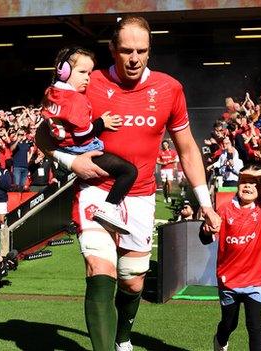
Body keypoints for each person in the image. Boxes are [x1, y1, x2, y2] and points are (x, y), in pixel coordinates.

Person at [36, 16, 221, 351]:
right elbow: (42, 133)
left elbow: (188, 148)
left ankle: (123, 337)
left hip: (140, 196)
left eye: (141, 50)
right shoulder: (87, 81)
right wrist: (71, 161)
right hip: (96, 188)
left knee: (133, 281)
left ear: (150, 52)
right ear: (112, 50)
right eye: (126, 50)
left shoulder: (169, 88)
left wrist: (205, 203)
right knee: (98, 268)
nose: (134, 58)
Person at [42, 46, 137, 234]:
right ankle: (109, 208)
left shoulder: (51, 92)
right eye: (82, 72)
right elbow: (82, 134)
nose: (88, 77)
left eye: (90, 73)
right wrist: (102, 123)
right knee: (129, 171)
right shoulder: (76, 100)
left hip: (62, 149)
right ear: (64, 71)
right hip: (80, 150)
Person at [200, 167, 261, 351]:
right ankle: (220, 340)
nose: (248, 186)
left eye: (253, 183)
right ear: (238, 186)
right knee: (229, 324)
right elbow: (205, 238)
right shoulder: (224, 210)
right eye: (244, 182)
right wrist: (205, 231)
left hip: (255, 280)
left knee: (254, 325)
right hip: (228, 279)